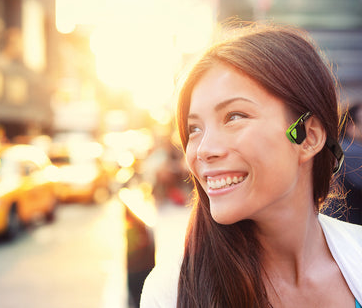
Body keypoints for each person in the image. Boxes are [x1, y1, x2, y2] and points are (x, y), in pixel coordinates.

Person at [140, 23, 362, 308]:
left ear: (308, 137)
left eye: (234, 116)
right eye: (194, 129)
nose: (204, 150)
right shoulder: (172, 292)